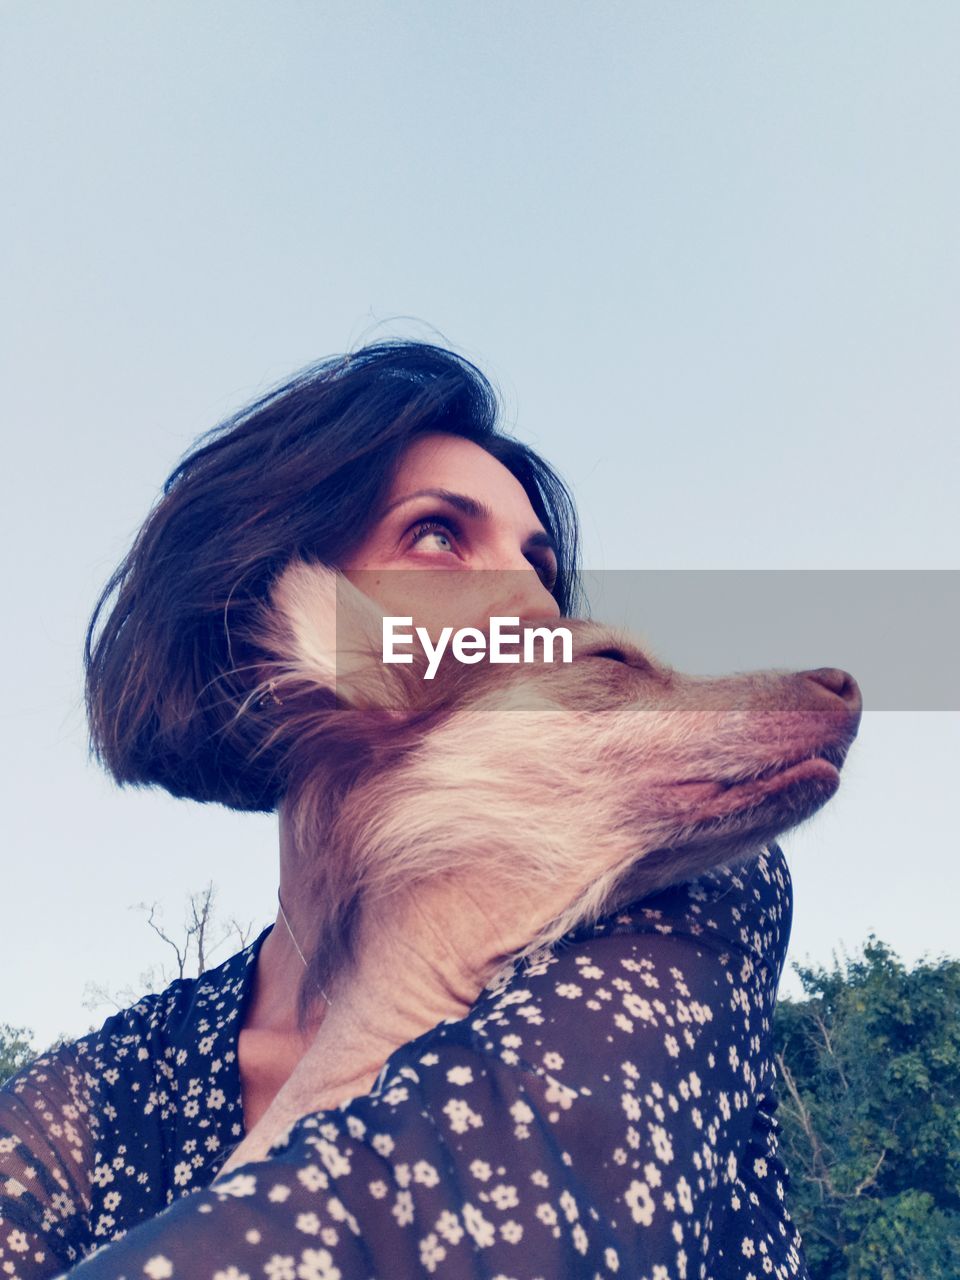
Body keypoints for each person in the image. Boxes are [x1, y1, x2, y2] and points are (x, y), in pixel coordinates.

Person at [0, 341, 808, 1277]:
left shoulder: (677, 881)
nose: (539, 605)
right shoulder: (110, 1089)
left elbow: (503, 1213)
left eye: (538, 561)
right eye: (438, 535)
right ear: (287, 629)